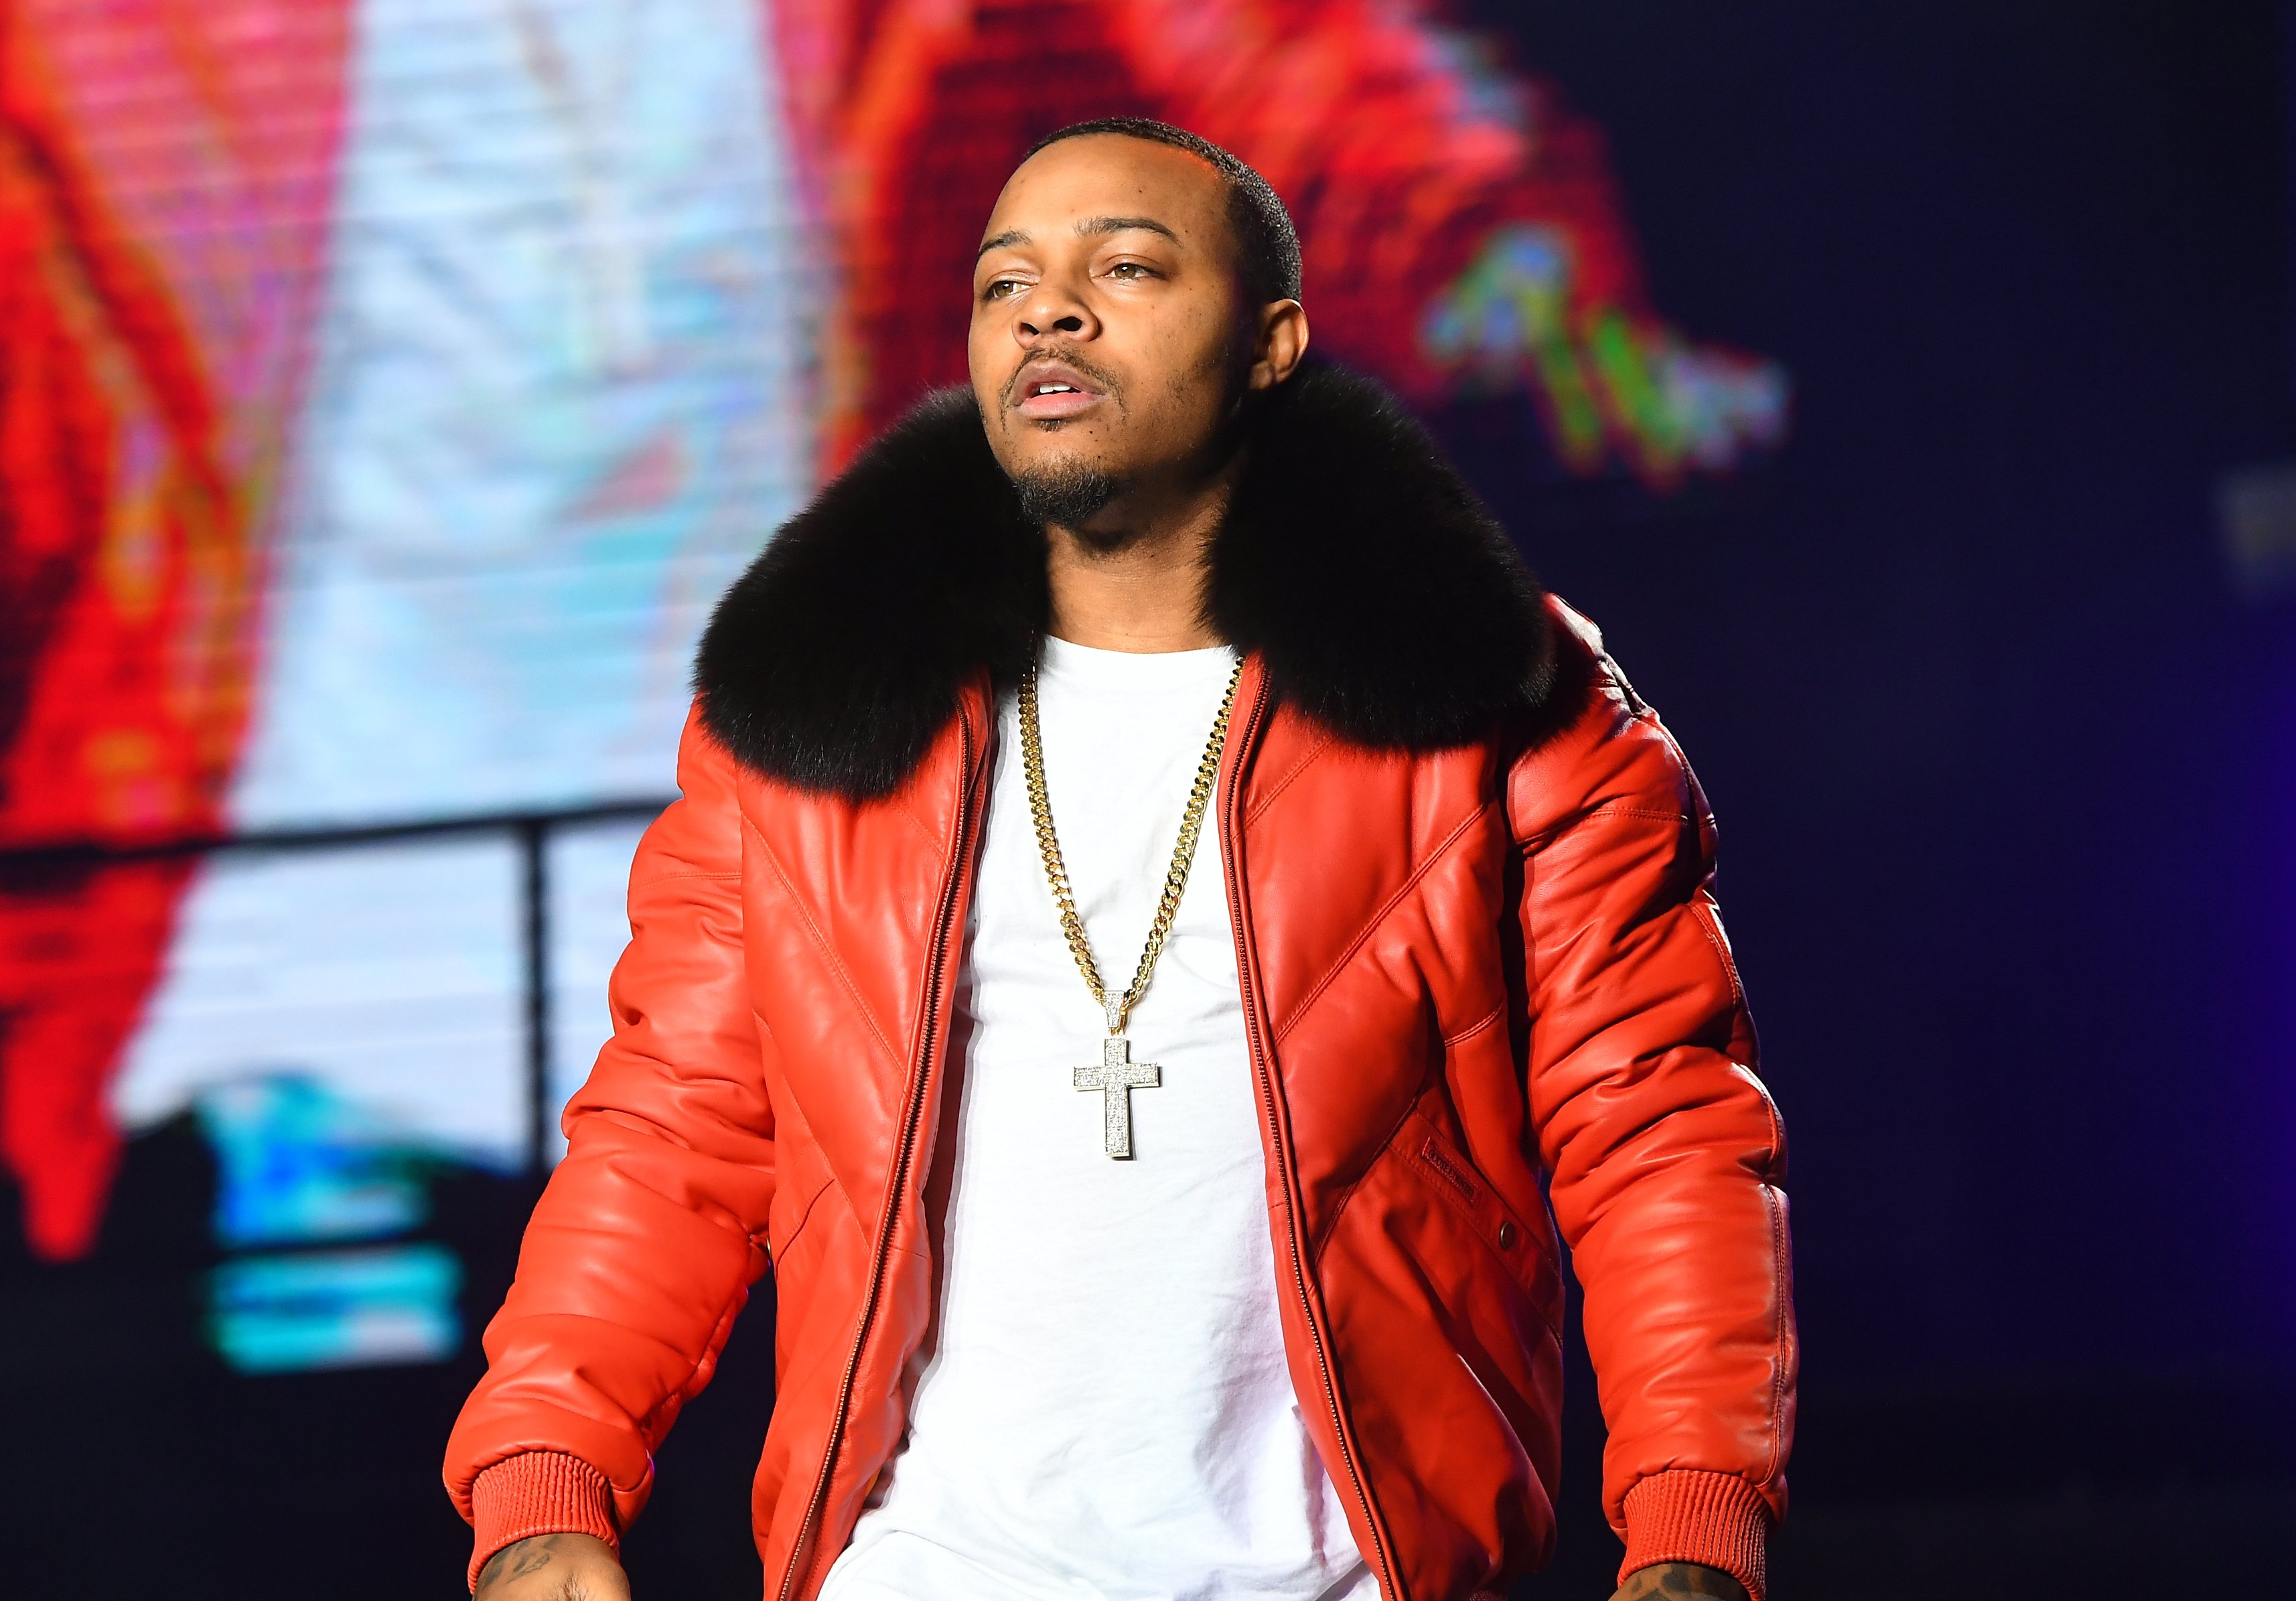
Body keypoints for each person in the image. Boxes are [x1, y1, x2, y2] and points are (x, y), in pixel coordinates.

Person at [444, 119, 1796, 1601]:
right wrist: (546, 1474)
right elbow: (674, 1127)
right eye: (1002, 281)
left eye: (1127, 266)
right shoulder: (814, 723)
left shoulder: (1497, 706)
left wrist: (1691, 1524)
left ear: (1271, 342)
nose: (1048, 308)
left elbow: (1659, 1125)